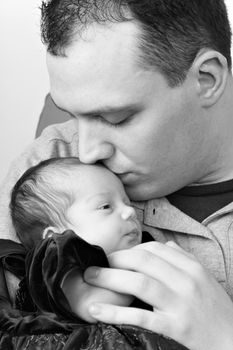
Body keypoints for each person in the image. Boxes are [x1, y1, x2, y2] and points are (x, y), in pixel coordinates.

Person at [0, 0, 233, 349]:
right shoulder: (50, 166)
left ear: (207, 79)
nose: (89, 152)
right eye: (74, 115)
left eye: (115, 118)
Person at [1, 157, 186, 350]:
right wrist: (142, 273)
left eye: (127, 202)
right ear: (55, 237)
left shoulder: (144, 244)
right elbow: (93, 307)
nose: (130, 211)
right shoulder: (61, 260)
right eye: (106, 206)